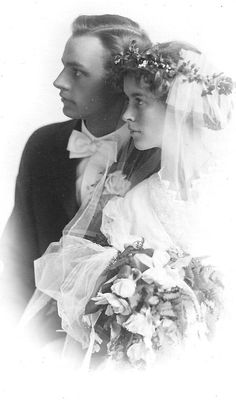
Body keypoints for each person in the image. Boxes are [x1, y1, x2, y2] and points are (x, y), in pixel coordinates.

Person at [21, 40, 234, 366]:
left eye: (139, 101)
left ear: (178, 105)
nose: (127, 114)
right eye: (126, 100)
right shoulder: (131, 207)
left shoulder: (227, 185)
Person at [0, 14, 158, 321]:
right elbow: (15, 254)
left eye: (77, 72)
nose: (59, 81)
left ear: (118, 84)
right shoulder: (43, 144)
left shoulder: (154, 156)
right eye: (63, 67)